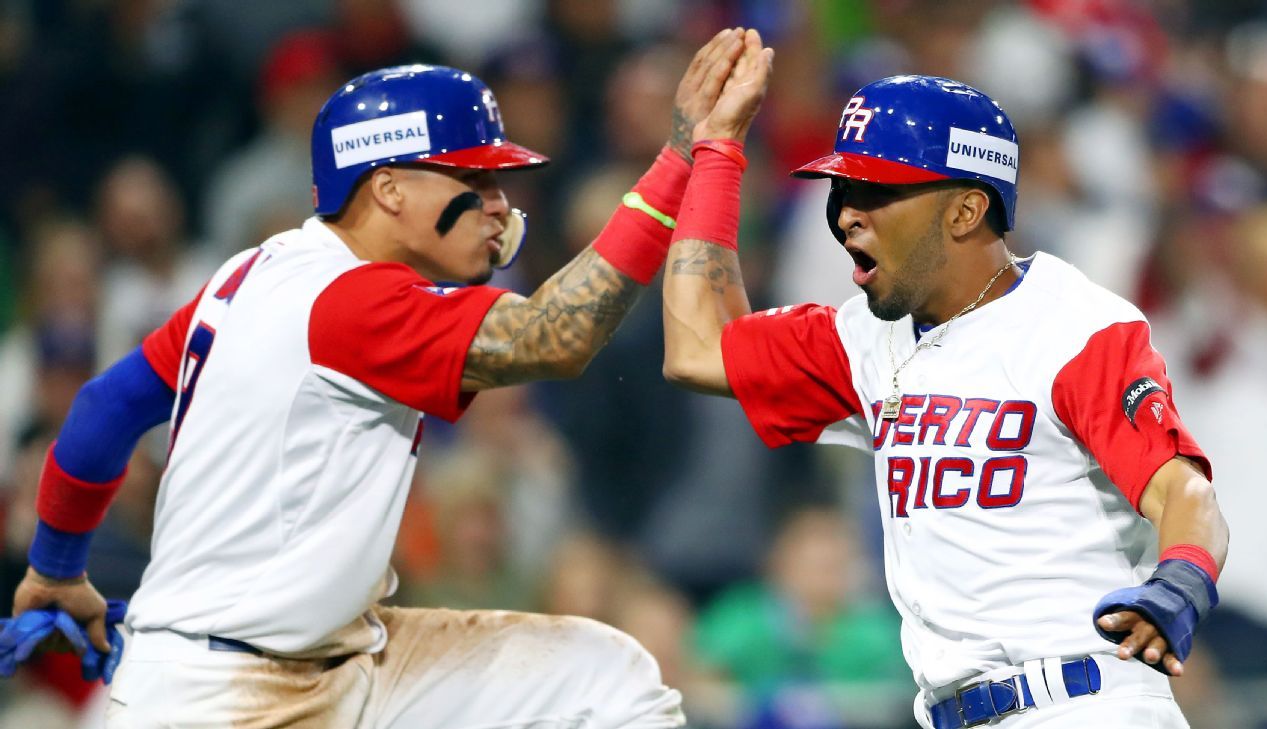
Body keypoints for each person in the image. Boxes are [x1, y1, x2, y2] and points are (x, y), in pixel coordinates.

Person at [8, 28, 752, 728]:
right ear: (389, 189)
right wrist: (684, 157)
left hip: (334, 662)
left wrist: (57, 564)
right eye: (472, 177)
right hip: (221, 697)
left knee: (605, 673)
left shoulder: (251, 272)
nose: (499, 205)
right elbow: (556, 334)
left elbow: (106, 407)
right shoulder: (349, 300)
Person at [661, 32, 1228, 729]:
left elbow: (1185, 489)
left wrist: (1182, 580)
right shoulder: (864, 337)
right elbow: (696, 348)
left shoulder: (1076, 328)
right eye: (843, 188)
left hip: (1082, 701)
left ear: (964, 210)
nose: (845, 213)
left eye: (877, 191)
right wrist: (716, 150)